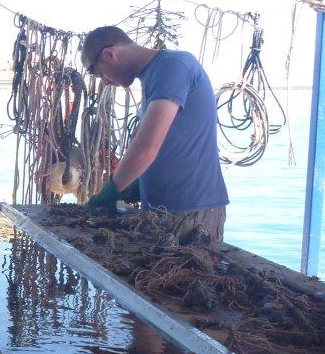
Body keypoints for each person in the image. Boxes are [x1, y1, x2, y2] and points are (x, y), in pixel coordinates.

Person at [80, 26, 229, 246]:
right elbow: (170, 142)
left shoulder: (173, 66)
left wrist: (112, 190)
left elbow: (147, 146)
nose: (105, 82)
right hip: (161, 210)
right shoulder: (153, 75)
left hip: (190, 212)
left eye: (98, 73)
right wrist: (138, 185)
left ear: (109, 54)